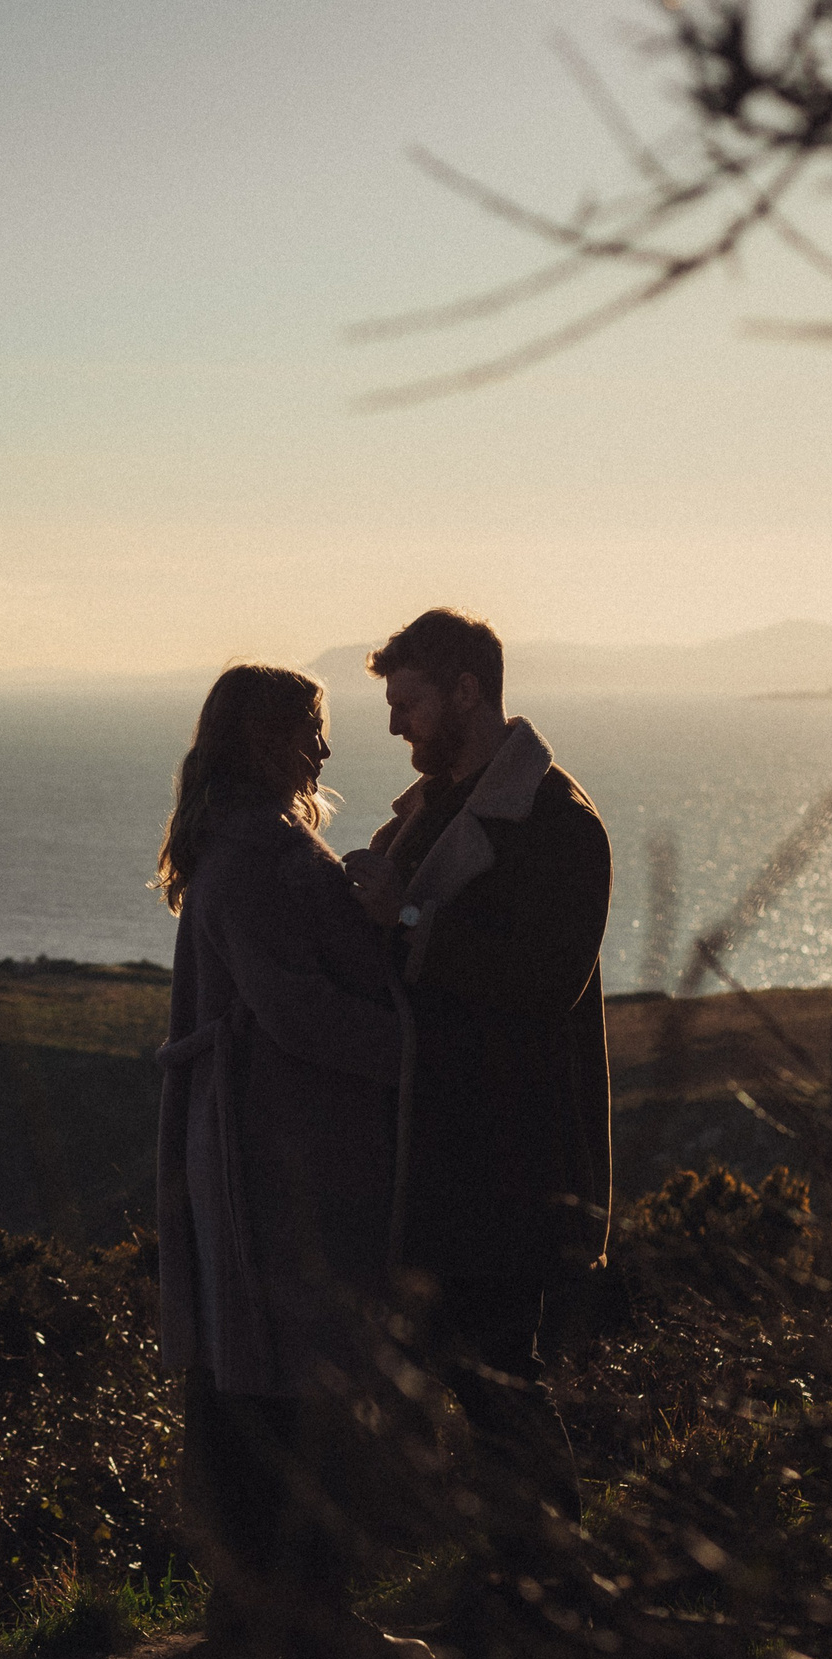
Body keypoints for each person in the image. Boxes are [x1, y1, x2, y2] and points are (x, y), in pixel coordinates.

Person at [146, 662, 430, 1659]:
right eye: (311, 729)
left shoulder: (244, 851)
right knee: (305, 1400)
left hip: (265, 1161)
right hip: (282, 1170)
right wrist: (423, 1054)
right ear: (267, 741)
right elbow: (298, 1012)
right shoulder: (259, 861)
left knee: (252, 1396)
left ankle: (262, 1622)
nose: (325, 750)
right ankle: (318, 1640)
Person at [339, 608, 612, 1546]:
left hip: (510, 1154)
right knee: (459, 1374)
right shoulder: (435, 810)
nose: (393, 725)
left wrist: (403, 924)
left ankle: (548, 1590)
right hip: (430, 1148)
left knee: (497, 1374)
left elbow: (545, 982)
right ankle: (517, 1584)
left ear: (467, 690)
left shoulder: (558, 822)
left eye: (406, 701)